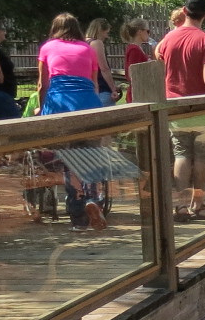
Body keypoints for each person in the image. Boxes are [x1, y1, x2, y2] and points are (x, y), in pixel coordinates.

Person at [156, 0, 205, 223]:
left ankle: (179, 205)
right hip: (203, 108)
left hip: (175, 107)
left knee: (181, 154)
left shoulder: (168, 38)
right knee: (203, 158)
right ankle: (198, 205)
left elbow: (157, 54)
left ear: (184, 11)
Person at [36, 13, 108, 231]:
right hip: (89, 104)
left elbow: (42, 84)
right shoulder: (88, 49)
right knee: (90, 157)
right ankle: (92, 199)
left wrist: (42, 110)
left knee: (69, 161)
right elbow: (94, 84)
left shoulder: (48, 47)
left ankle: (78, 218)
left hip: (61, 106)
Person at [85, 18, 119, 102]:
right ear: (100, 30)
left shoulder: (84, 42)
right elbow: (104, 68)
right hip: (102, 88)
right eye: (107, 31)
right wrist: (113, 89)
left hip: (89, 88)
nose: (107, 34)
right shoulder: (97, 43)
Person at [120, 19, 153, 101]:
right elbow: (132, 74)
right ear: (139, 32)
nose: (149, 34)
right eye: (147, 31)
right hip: (137, 94)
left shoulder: (136, 48)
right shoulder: (134, 49)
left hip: (141, 92)